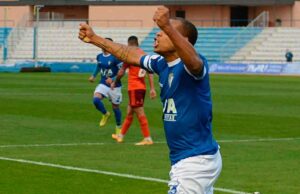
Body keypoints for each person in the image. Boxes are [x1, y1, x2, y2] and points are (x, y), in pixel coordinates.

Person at [79, 7, 222, 194]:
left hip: (195, 161)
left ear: (183, 40)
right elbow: (130, 54)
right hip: (189, 159)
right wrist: (95, 38)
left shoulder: (192, 65)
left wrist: (168, 26)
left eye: (164, 32)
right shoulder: (162, 64)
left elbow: (195, 63)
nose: (157, 34)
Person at [111, 35, 157, 145]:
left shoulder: (130, 55)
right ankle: (120, 136)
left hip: (134, 88)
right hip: (141, 87)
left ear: (130, 44)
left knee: (140, 113)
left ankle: (147, 138)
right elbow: (150, 72)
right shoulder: (144, 55)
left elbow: (121, 72)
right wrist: (152, 88)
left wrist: (115, 82)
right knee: (130, 113)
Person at [89, 38, 123, 135]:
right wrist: (93, 75)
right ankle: (105, 114)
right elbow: (98, 66)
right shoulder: (99, 56)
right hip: (103, 83)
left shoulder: (116, 57)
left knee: (115, 107)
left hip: (115, 86)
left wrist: (113, 79)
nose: (102, 45)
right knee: (96, 100)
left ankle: (118, 127)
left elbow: (122, 71)